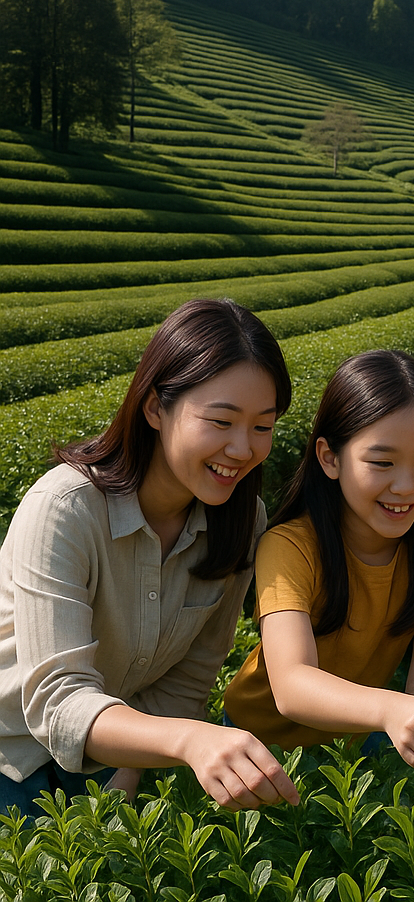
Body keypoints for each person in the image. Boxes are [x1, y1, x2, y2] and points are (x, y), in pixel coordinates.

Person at [0, 298, 300, 815]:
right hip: (12, 753)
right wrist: (188, 740)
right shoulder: (65, 509)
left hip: (112, 758)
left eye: (262, 427)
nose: (242, 449)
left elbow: (190, 678)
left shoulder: (241, 520)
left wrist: (129, 773)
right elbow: (57, 700)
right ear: (156, 408)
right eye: (221, 421)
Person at [223, 350, 414, 771]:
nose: (405, 486)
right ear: (330, 458)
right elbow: (291, 685)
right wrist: (392, 710)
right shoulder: (291, 546)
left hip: (356, 735)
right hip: (259, 743)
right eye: (382, 462)